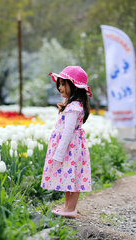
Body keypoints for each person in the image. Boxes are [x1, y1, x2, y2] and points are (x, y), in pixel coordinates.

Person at [40, 66, 93, 218]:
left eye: (64, 84)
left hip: (71, 148)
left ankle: (71, 209)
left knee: (73, 176)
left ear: (75, 86)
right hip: (72, 147)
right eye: (60, 84)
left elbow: (68, 132)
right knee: (68, 176)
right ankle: (67, 208)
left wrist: (59, 153)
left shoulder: (74, 107)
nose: (60, 87)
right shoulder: (72, 105)